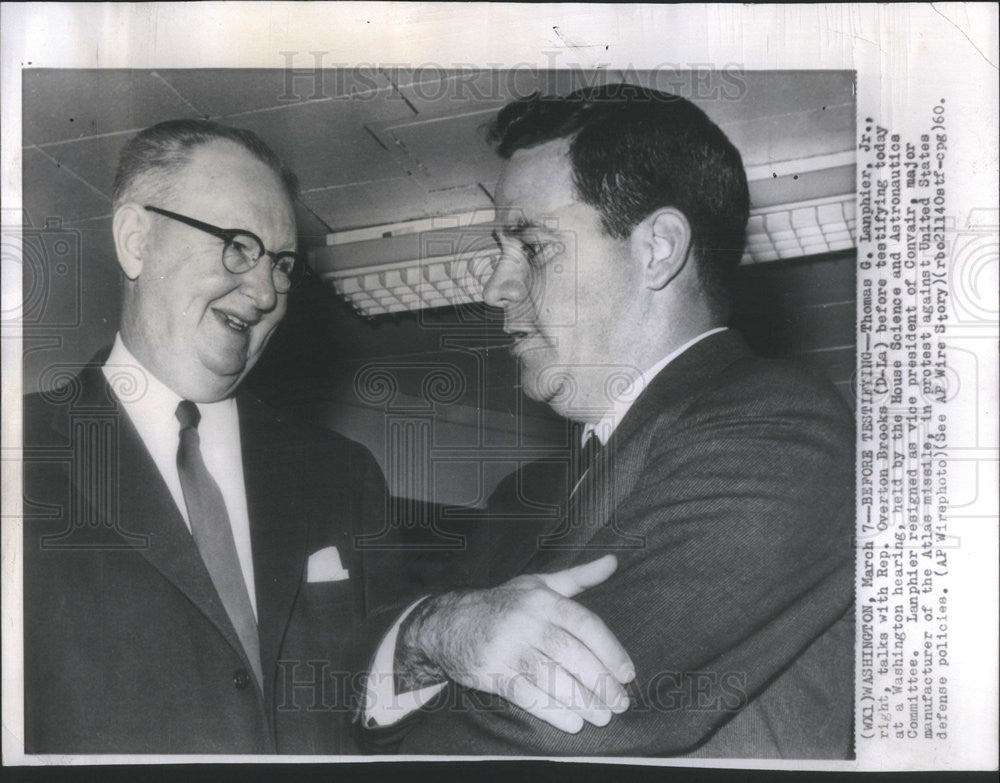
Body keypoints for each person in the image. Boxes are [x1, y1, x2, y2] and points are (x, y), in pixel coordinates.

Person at [361, 84, 855, 758]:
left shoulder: (780, 426)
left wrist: (419, 654)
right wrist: (433, 629)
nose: (494, 289)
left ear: (658, 249)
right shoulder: (516, 503)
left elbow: (585, 712)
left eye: (532, 247)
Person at [21, 120, 390, 754]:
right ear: (137, 241)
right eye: (238, 245)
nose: (267, 289)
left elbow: (381, 703)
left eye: (281, 264)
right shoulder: (18, 457)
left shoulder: (339, 474)